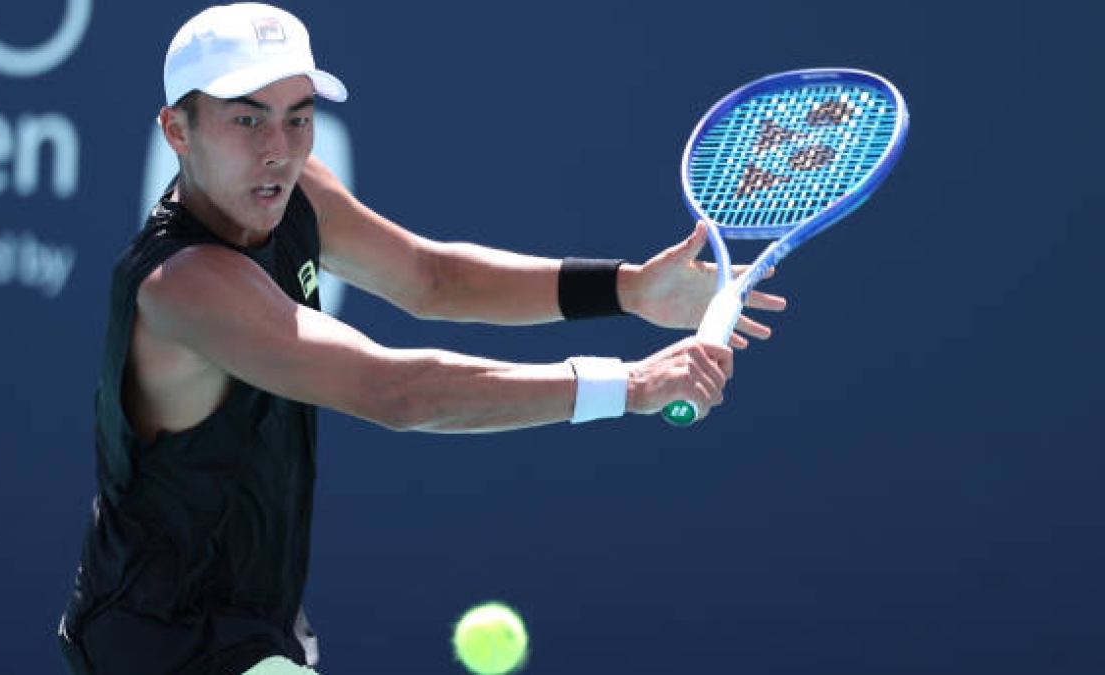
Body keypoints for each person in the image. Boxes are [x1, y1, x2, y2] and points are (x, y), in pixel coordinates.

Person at [57, 3, 786, 674]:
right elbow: (397, 391)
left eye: (298, 117)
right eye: (247, 121)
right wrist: (629, 386)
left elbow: (430, 278)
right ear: (176, 130)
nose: (279, 149)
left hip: (248, 626)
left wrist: (627, 288)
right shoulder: (184, 283)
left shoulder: (299, 191)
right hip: (163, 645)